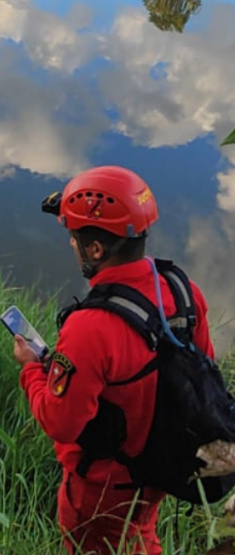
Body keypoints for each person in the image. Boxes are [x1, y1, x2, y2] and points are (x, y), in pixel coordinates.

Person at [13, 166, 217, 554]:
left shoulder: (90, 327)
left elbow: (61, 423)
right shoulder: (183, 290)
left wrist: (30, 370)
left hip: (101, 487)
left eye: (74, 239)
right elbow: (202, 369)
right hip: (159, 469)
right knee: (139, 535)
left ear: (95, 250)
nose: (72, 246)